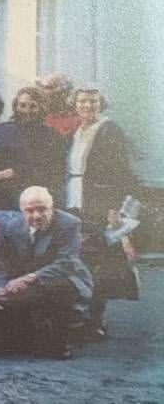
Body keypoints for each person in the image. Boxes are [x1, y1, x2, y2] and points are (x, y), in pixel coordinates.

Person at [65, 84, 138, 338]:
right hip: (74, 199)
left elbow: (120, 173)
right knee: (78, 259)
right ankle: (78, 315)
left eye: (93, 101)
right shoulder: (76, 130)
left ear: (101, 104)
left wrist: (112, 209)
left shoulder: (109, 130)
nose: (87, 106)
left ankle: (96, 319)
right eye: (82, 101)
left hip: (98, 203)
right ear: (75, 104)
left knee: (98, 262)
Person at [0, 187, 93, 358]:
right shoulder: (12, 227)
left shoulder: (69, 223)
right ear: (21, 210)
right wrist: (0, 286)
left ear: (52, 207)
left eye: (42, 209)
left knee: (58, 289)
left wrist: (28, 278)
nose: (37, 216)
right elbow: (3, 262)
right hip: (28, 281)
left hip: (64, 278)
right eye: (30, 211)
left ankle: (59, 343)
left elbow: (66, 262)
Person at [11, 86, 67, 205]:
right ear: (16, 106)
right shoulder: (6, 131)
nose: (27, 110)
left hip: (39, 195)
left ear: (41, 108)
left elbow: (57, 172)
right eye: (22, 105)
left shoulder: (53, 136)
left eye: (33, 106)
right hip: (10, 194)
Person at [36, 72, 80, 137]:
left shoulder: (75, 116)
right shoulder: (34, 110)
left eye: (47, 87)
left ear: (64, 92)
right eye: (41, 86)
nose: (41, 91)